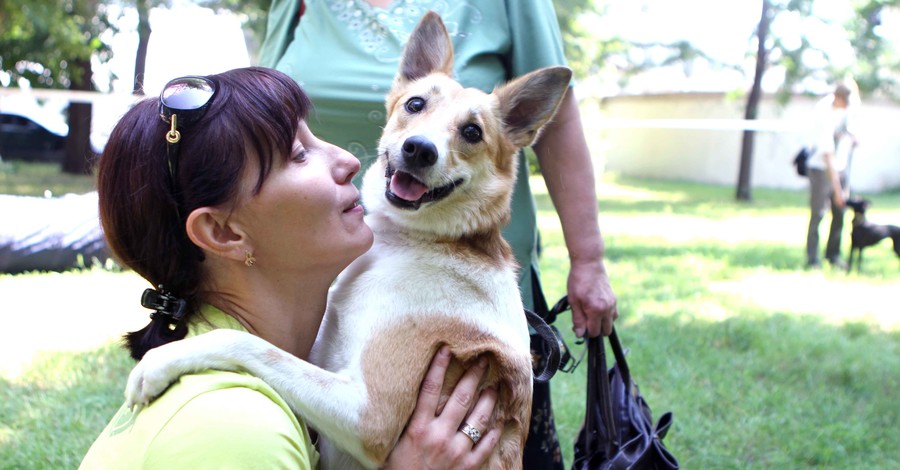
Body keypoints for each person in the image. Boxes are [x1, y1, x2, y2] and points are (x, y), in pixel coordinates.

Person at [80, 67, 500, 469]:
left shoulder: (276, 384)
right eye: (299, 155)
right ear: (223, 233)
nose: (348, 160)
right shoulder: (240, 431)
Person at [258, 2, 618, 467]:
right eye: (414, 106)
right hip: (345, 239)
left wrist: (587, 258)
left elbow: (367, 424)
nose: (424, 140)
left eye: (469, 132)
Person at [806, 82, 859, 269]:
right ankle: (812, 259)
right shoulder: (823, 113)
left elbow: (847, 130)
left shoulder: (844, 110)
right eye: (845, 103)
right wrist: (838, 190)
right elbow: (826, 155)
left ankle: (833, 255)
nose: (847, 108)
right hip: (822, 168)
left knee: (840, 213)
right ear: (837, 99)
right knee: (819, 213)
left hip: (840, 166)